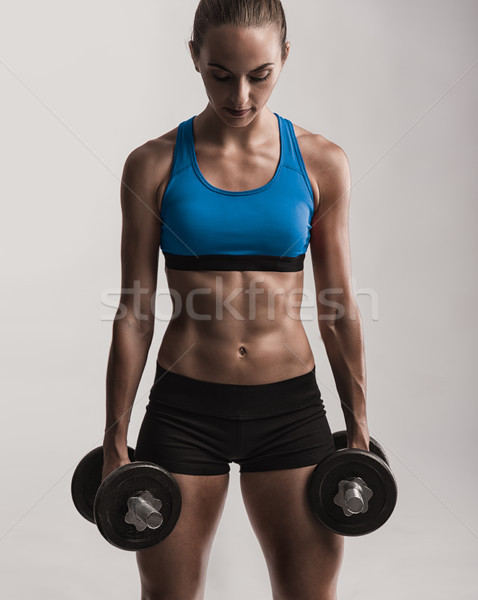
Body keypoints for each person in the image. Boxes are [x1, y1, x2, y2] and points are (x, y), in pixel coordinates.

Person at [101, 1, 370, 598]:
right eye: (221, 74)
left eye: (260, 74)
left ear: (285, 59)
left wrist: (357, 426)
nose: (241, 95)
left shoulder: (322, 162)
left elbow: (338, 304)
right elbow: (135, 311)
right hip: (183, 413)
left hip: (291, 413)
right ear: (194, 56)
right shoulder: (153, 165)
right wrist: (116, 440)